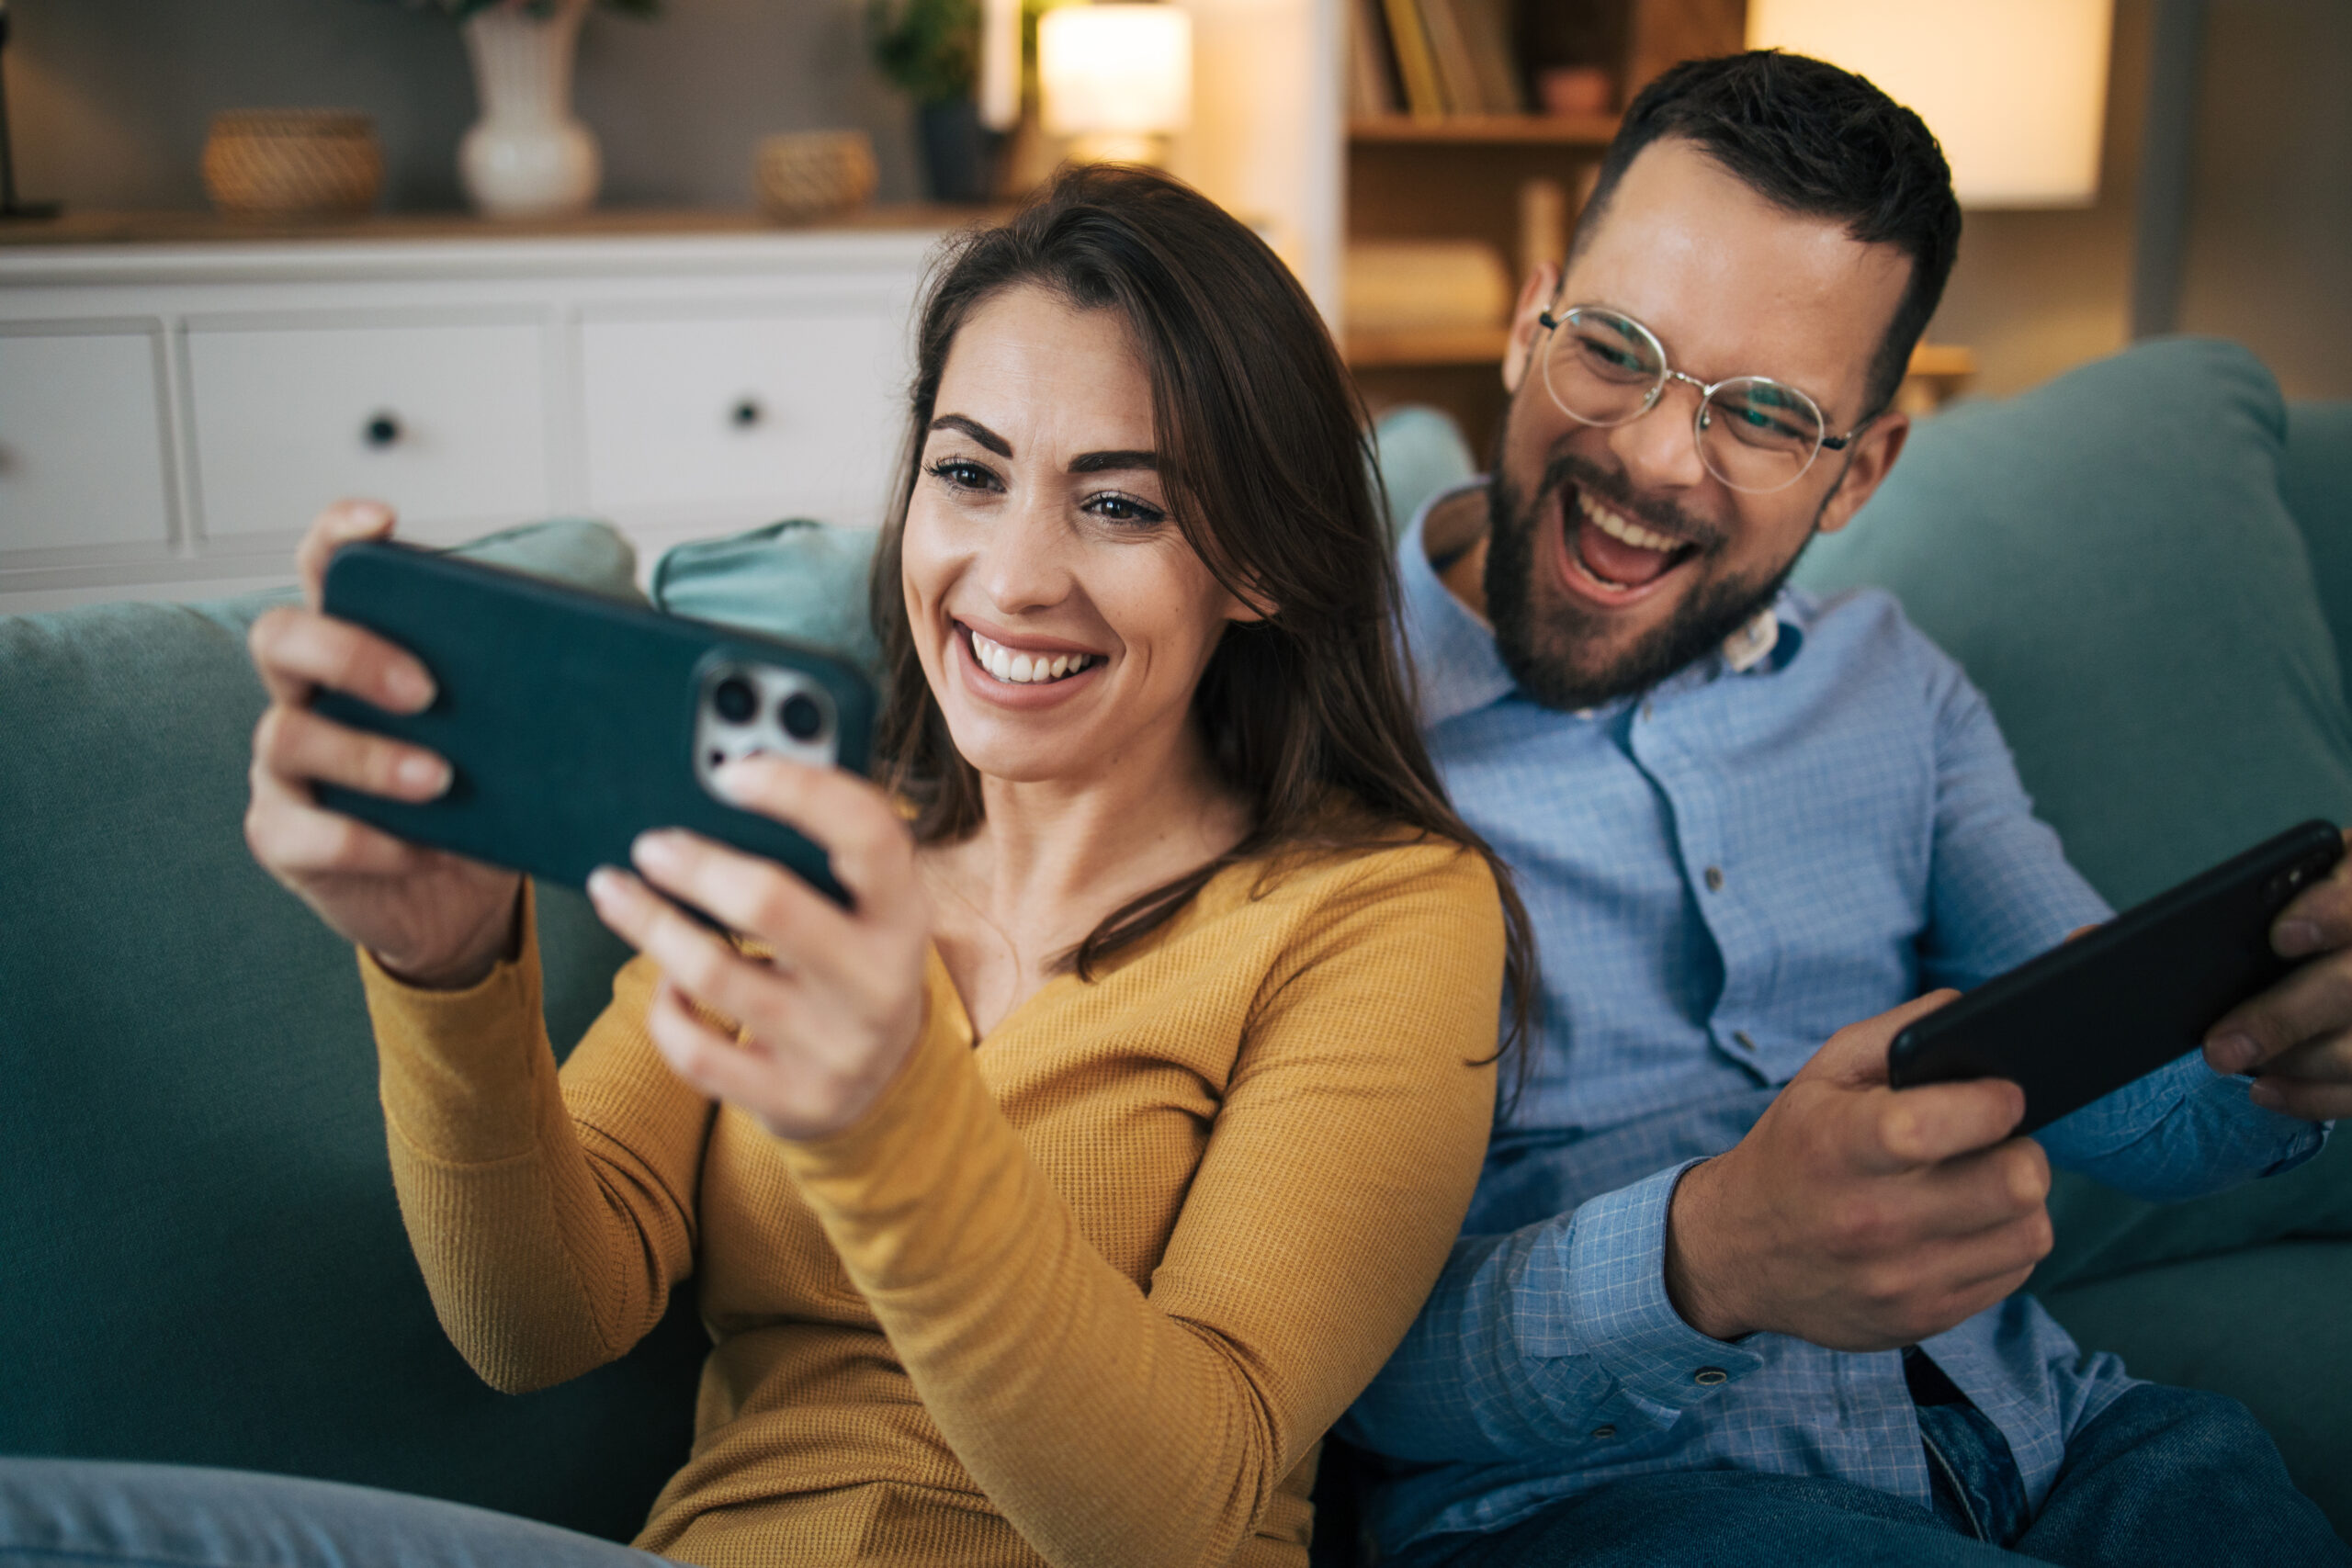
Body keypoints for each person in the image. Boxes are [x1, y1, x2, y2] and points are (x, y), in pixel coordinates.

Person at [0, 166, 1535, 1568]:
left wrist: (886, 1118)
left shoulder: (1377, 913)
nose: (1009, 577)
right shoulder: (791, 837)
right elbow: (540, 1319)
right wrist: (449, 967)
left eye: (1120, 503)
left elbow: (1181, 1515)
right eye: (969, 473)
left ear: (1258, 560)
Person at [1337, 51, 2352, 1568]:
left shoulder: (1898, 690)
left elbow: (2125, 1093)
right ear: (1528, 318)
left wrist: (2284, 1045)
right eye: (1615, 349)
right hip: (1600, 1506)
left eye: (1761, 415)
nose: (1650, 457)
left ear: (1860, 471)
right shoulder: (1311, 721)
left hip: (2059, 1437)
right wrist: (1711, 1256)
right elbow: (1327, 1370)